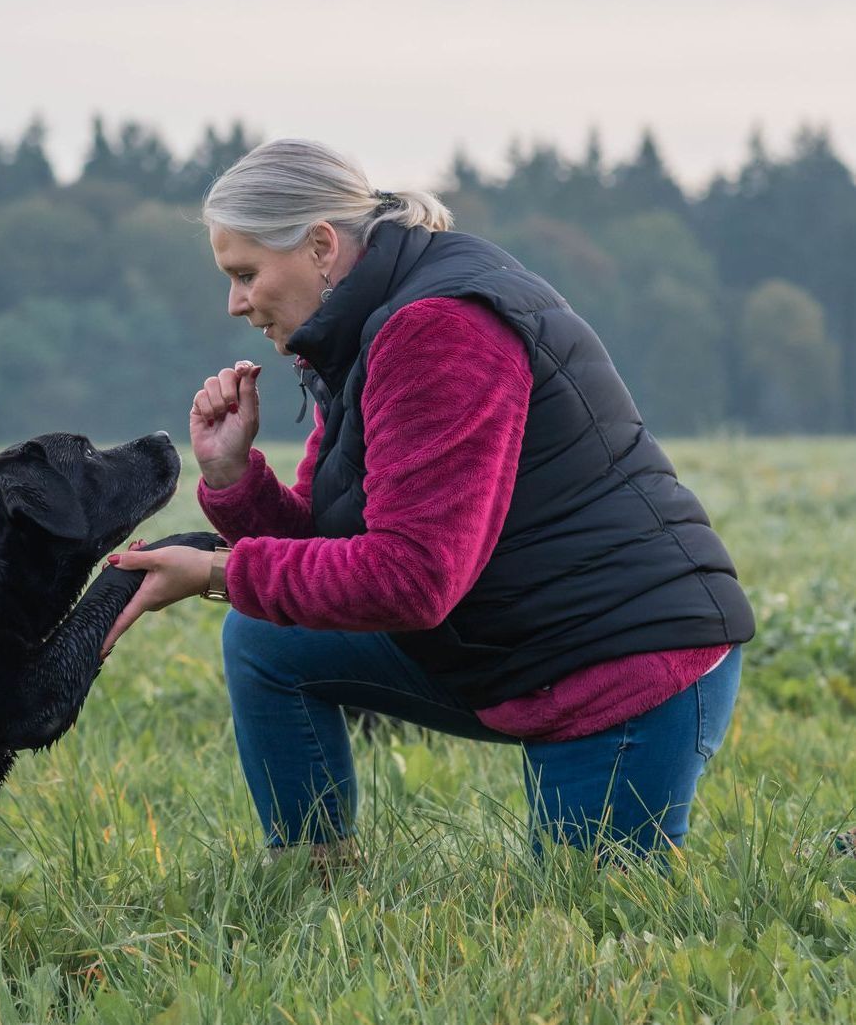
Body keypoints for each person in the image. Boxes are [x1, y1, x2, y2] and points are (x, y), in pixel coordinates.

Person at [102, 138, 753, 861]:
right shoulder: (365, 328)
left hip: (617, 665)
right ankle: (310, 882)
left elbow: (411, 580)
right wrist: (233, 479)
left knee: (588, 916)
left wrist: (217, 572)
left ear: (320, 246)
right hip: (515, 645)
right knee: (265, 637)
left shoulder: (438, 330)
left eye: (246, 274)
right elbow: (329, 548)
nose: (236, 303)